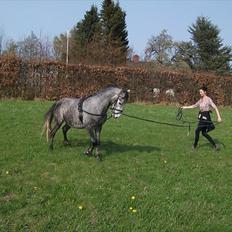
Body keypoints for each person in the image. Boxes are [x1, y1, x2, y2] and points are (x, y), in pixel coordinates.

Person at [181, 85, 222, 150]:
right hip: (201, 116)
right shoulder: (201, 100)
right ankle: (215, 146)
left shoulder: (208, 99)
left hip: (206, 117)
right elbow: (194, 106)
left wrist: (219, 117)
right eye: (199, 92)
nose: (200, 93)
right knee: (204, 133)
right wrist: (185, 107)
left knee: (197, 131)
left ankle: (194, 146)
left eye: (201, 92)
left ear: (205, 92)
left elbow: (215, 107)